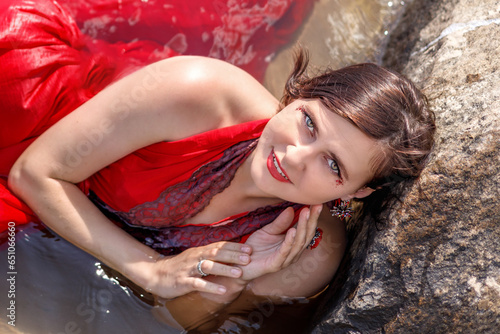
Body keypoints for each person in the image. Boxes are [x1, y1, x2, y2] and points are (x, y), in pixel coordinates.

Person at [1, 0, 436, 331]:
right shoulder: (202, 90)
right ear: (300, 93)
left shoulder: (312, 251)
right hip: (39, 100)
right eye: (308, 123)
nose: (294, 156)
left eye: (333, 165)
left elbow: (163, 322)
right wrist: (148, 267)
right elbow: (34, 173)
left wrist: (236, 281)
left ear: (356, 192)